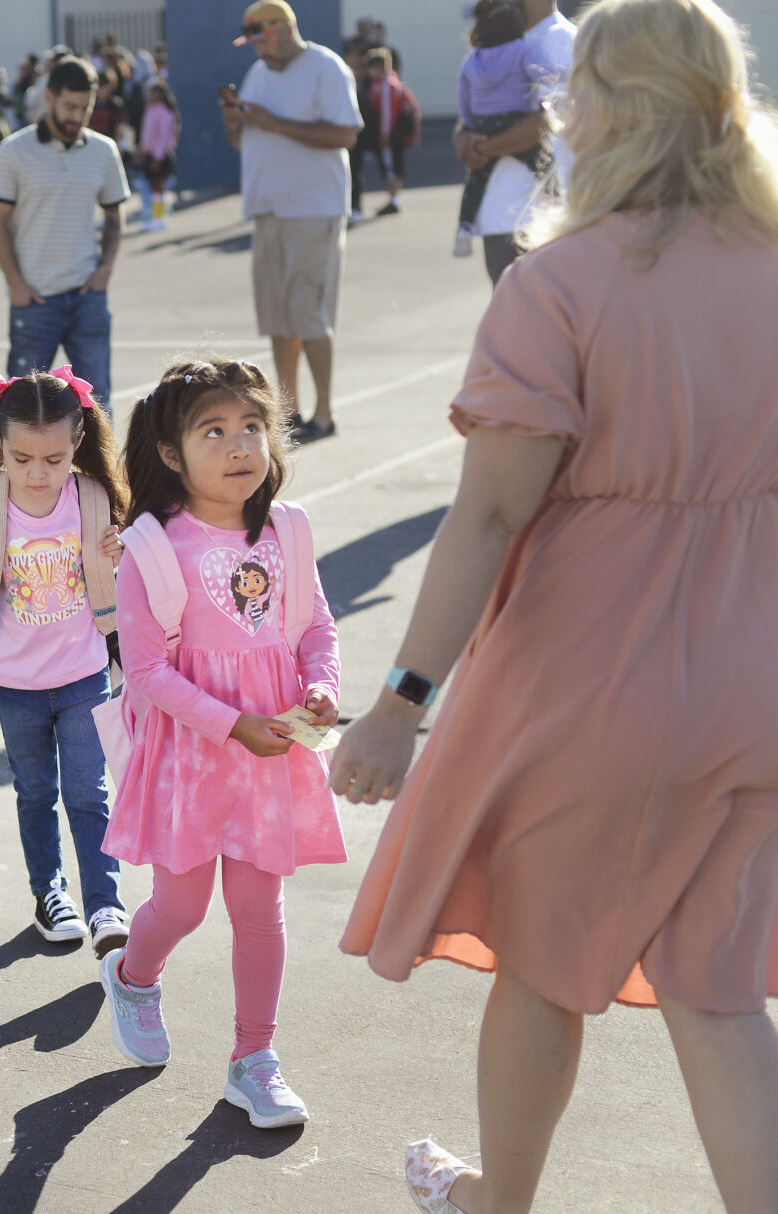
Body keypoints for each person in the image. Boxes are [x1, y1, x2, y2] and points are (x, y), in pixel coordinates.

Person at [333, 3, 778, 1210]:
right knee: (720, 989)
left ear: (610, 110)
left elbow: (487, 517)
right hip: (755, 679)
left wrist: (397, 705)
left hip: (594, 680)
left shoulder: (562, 283)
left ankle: (497, 1201)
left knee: (539, 958)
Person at [95, 358, 342, 1130]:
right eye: (214, 431)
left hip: (271, 752)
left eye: (250, 428)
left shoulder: (287, 530)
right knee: (180, 905)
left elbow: (313, 629)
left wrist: (322, 686)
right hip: (191, 755)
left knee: (259, 909)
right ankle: (133, 976)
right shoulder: (152, 548)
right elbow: (143, 671)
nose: (239, 446)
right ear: (169, 453)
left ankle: (253, 1060)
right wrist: (231, 724)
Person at [0, 368, 130, 950]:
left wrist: (118, 558)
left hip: (83, 675)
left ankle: (105, 905)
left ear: (78, 442)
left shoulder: (94, 499)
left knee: (88, 794)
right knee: (34, 793)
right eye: (22, 458)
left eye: (53, 459)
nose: (38, 473)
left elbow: (129, 583)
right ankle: (50, 893)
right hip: (16, 682)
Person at [221, 0, 362, 444]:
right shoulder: (258, 74)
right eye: (251, 43)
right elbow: (244, 140)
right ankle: (289, 411)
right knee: (279, 320)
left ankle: (324, 413)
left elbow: (346, 134)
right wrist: (233, 123)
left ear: (284, 28)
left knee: (310, 316)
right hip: (268, 209)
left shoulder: (326, 67)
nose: (257, 51)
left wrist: (274, 123)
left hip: (312, 209)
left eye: (261, 40)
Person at [0, 55, 130, 413]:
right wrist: (15, 283)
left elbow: (114, 214)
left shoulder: (103, 150)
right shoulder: (14, 150)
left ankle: (98, 471)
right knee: (21, 406)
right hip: (34, 300)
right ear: (49, 98)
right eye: (69, 106)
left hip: (88, 297)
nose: (76, 116)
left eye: (85, 107)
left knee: (97, 407)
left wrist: (105, 270)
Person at [454, 0, 576, 285]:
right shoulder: (500, 40)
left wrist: (479, 148)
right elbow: (467, 119)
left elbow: (545, 122)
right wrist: (463, 141)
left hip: (542, 218)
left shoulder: (561, 40)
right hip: (500, 216)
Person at [454, 1, 547, 258]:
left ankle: (463, 226)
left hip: (482, 125)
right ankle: (557, 201)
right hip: (514, 119)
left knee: (475, 181)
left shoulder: (472, 59)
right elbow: (545, 79)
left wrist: (470, 131)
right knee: (541, 166)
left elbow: (464, 104)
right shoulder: (522, 49)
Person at [352, 47, 413, 219]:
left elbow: (387, 113)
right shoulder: (391, 82)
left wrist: (384, 135)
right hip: (392, 134)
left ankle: (394, 200)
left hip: (389, 136)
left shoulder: (385, 85)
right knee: (391, 166)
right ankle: (394, 198)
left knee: (390, 166)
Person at [137, 79, 180, 231]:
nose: (150, 96)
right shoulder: (150, 109)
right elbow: (147, 134)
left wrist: (158, 156)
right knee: (154, 187)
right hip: (150, 154)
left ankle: (159, 218)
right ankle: (157, 216)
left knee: (158, 188)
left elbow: (164, 136)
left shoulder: (164, 112)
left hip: (159, 156)